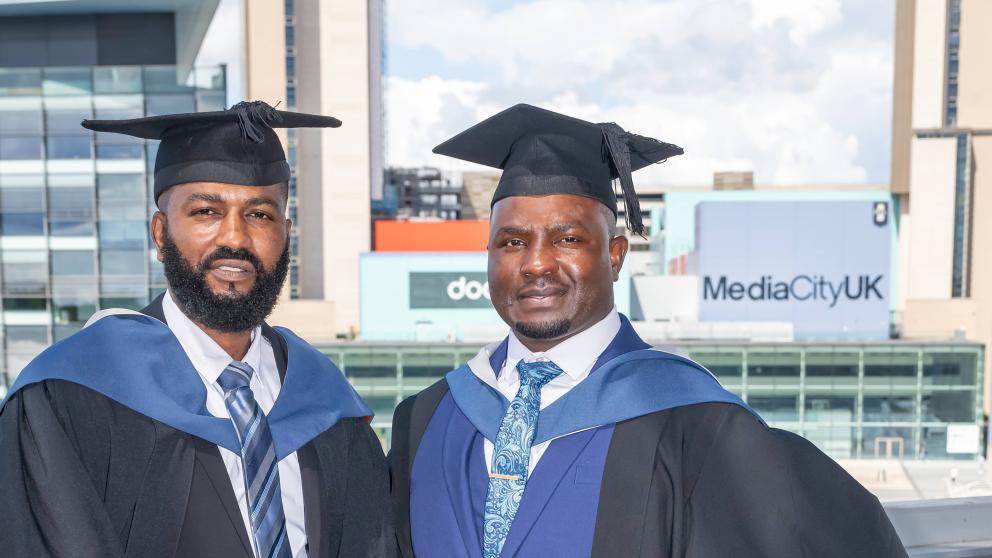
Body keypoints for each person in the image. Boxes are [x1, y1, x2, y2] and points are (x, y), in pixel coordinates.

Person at [388, 104, 907, 558]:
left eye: (567, 238)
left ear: (614, 255)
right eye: (512, 242)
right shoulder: (427, 418)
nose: (537, 263)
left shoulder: (692, 420)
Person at [0, 102, 393, 558]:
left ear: (286, 233)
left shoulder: (326, 403)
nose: (236, 239)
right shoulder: (69, 396)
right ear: (161, 234)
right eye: (206, 211)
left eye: (259, 215)